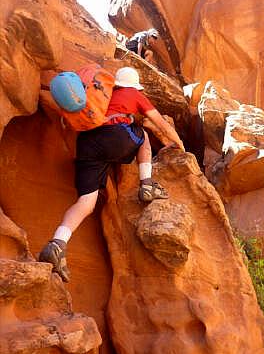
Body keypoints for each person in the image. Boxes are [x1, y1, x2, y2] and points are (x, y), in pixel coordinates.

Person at [39, 66, 184, 282]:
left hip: (87, 143)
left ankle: (57, 244)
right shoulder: (134, 94)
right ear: (134, 85)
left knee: (86, 202)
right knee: (142, 134)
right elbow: (160, 124)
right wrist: (179, 144)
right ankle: (147, 184)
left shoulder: (102, 96)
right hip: (114, 137)